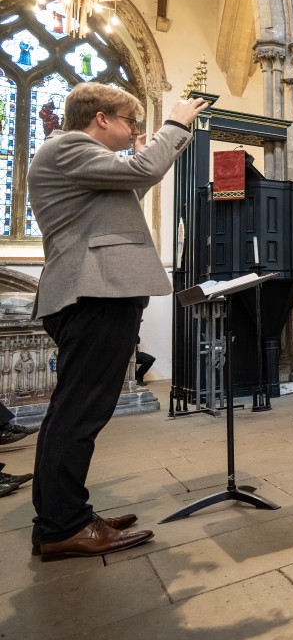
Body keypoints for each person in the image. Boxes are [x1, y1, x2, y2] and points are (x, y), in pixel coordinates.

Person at [28, 83, 207, 560]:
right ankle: (63, 525)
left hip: (96, 291)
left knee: (73, 409)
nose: (134, 133)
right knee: (79, 412)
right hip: (94, 291)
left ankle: (59, 516)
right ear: (101, 118)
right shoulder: (68, 145)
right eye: (129, 123)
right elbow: (143, 168)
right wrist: (175, 124)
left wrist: (161, 144)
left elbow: (138, 176)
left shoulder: (79, 159)